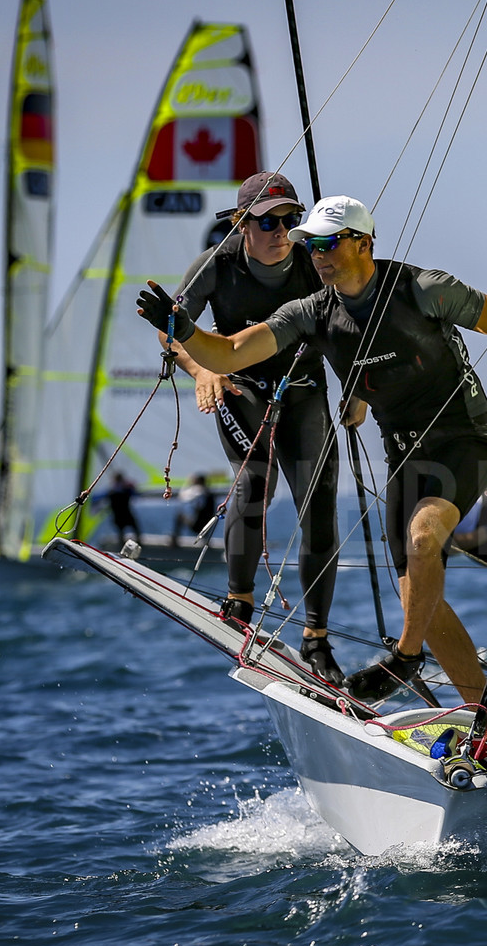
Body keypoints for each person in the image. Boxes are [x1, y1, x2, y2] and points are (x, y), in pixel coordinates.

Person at [141, 195, 487, 705]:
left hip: (464, 437)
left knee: (423, 540)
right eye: (310, 245)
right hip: (404, 453)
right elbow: (230, 352)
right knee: (419, 597)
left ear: (365, 243)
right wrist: (184, 332)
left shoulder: (424, 289)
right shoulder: (311, 312)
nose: (317, 254)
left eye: (329, 242)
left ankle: (404, 660)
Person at [136, 172, 344, 686]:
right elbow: (172, 330)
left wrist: (359, 392)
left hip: (303, 388)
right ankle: (240, 600)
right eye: (268, 221)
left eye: (291, 220)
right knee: (255, 482)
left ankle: (316, 638)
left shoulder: (313, 265)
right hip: (239, 385)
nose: (281, 231)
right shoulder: (216, 265)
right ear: (240, 224)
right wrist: (203, 369)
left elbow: (351, 326)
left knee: (318, 502)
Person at [171, 473, 218, 544]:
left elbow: (182, 496)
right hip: (208, 526)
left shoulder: (198, 491)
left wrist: (187, 484)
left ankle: (174, 540)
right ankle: (205, 539)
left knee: (180, 516)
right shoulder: (209, 493)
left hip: (198, 526)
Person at [108, 472, 141, 546]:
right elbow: (136, 493)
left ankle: (136, 542)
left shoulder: (123, 489)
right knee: (131, 530)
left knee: (132, 530)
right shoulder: (117, 490)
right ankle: (136, 542)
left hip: (123, 514)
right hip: (121, 515)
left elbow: (135, 493)